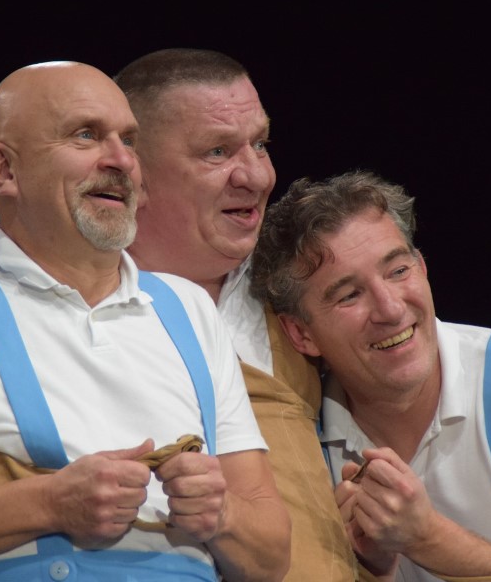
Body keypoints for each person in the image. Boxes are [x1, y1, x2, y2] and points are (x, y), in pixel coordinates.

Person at [0, 61, 290, 582]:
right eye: (85, 135)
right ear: (4, 170)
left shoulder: (189, 310)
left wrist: (224, 516)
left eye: (129, 141)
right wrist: (49, 504)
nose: (121, 160)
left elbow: (271, 557)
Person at [249, 169, 491, 582]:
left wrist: (426, 539)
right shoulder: (299, 443)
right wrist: (372, 570)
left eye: (398, 271)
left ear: (422, 268)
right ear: (300, 333)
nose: (390, 309)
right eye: (349, 295)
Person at [114, 48, 357, 581]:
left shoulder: (297, 292)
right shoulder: (73, 312)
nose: (257, 176)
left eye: (261, 144)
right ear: (134, 171)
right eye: (217, 151)